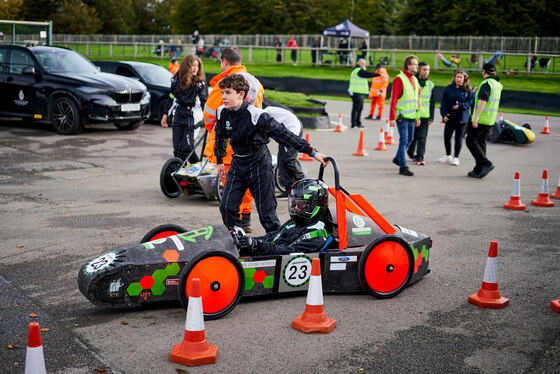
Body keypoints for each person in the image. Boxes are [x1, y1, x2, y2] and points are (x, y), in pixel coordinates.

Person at [214, 74, 327, 233]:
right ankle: (236, 239)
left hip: (259, 165)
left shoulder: (257, 115)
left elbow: (285, 135)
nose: (223, 97)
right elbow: (220, 136)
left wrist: (312, 152)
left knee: (267, 214)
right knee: (226, 206)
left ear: (241, 94)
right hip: (238, 164)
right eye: (222, 93)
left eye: (228, 93)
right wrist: (219, 160)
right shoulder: (221, 112)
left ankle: (276, 246)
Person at [203, 46, 264, 232]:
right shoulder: (255, 82)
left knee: (231, 186)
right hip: (250, 142)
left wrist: (216, 132)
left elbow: (209, 115)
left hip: (229, 145)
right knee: (247, 183)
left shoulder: (225, 82)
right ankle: (245, 219)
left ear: (225, 61)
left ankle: (234, 226)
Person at [235, 178, 332, 255]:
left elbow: (291, 251)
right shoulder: (296, 222)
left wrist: (261, 246)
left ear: (315, 205)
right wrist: (251, 241)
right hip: (271, 254)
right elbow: (274, 235)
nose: (296, 208)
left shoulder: (316, 233)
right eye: (294, 203)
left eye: (301, 205)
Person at [165, 55, 207, 164]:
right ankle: (181, 177)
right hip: (178, 115)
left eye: (197, 66)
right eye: (192, 66)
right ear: (185, 67)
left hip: (193, 117)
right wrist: (165, 114)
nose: (195, 68)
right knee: (177, 151)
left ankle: (198, 174)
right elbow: (171, 98)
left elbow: (204, 102)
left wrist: (208, 119)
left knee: (187, 149)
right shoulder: (176, 81)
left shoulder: (200, 84)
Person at [466, 62, 502, 178]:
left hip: (481, 119)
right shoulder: (497, 84)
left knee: (470, 141)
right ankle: (479, 169)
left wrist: (475, 117)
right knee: (481, 142)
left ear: (484, 72)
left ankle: (486, 164)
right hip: (490, 119)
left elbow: (483, 100)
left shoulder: (486, 83)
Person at [263, 106, 305, 200]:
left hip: (292, 130)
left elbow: (266, 135)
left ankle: (303, 181)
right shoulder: (265, 111)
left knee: (288, 159)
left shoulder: (263, 114)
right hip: (284, 132)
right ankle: (288, 190)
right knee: (281, 160)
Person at [389, 55, 420, 177]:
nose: (417, 66)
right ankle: (403, 166)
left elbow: (416, 99)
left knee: (410, 140)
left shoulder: (415, 79)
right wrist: (392, 118)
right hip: (402, 117)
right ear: (408, 65)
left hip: (412, 116)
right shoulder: (399, 79)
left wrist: (417, 116)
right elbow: (393, 100)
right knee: (404, 141)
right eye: (415, 64)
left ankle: (398, 158)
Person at [438, 70, 473, 166]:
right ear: (454, 78)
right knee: (447, 137)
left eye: (460, 77)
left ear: (464, 79)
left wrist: (460, 105)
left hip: (461, 119)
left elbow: (471, 102)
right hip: (450, 117)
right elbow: (443, 103)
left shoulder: (468, 90)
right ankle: (448, 155)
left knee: (458, 138)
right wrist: (444, 115)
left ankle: (456, 157)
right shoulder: (449, 88)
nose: (458, 79)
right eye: (457, 77)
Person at [407, 62, 435, 165]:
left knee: (422, 138)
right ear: (419, 69)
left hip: (424, 116)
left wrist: (431, 117)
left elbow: (432, 103)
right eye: (424, 69)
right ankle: (410, 152)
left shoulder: (431, 85)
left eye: (428, 70)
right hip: (413, 114)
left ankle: (420, 157)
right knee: (412, 137)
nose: (426, 72)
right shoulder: (412, 81)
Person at [348, 58, 380, 129]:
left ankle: (358, 123)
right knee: (356, 108)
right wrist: (377, 74)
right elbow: (367, 74)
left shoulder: (358, 70)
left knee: (359, 108)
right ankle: (354, 124)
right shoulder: (358, 70)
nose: (364, 65)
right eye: (363, 64)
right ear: (360, 63)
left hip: (359, 92)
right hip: (357, 92)